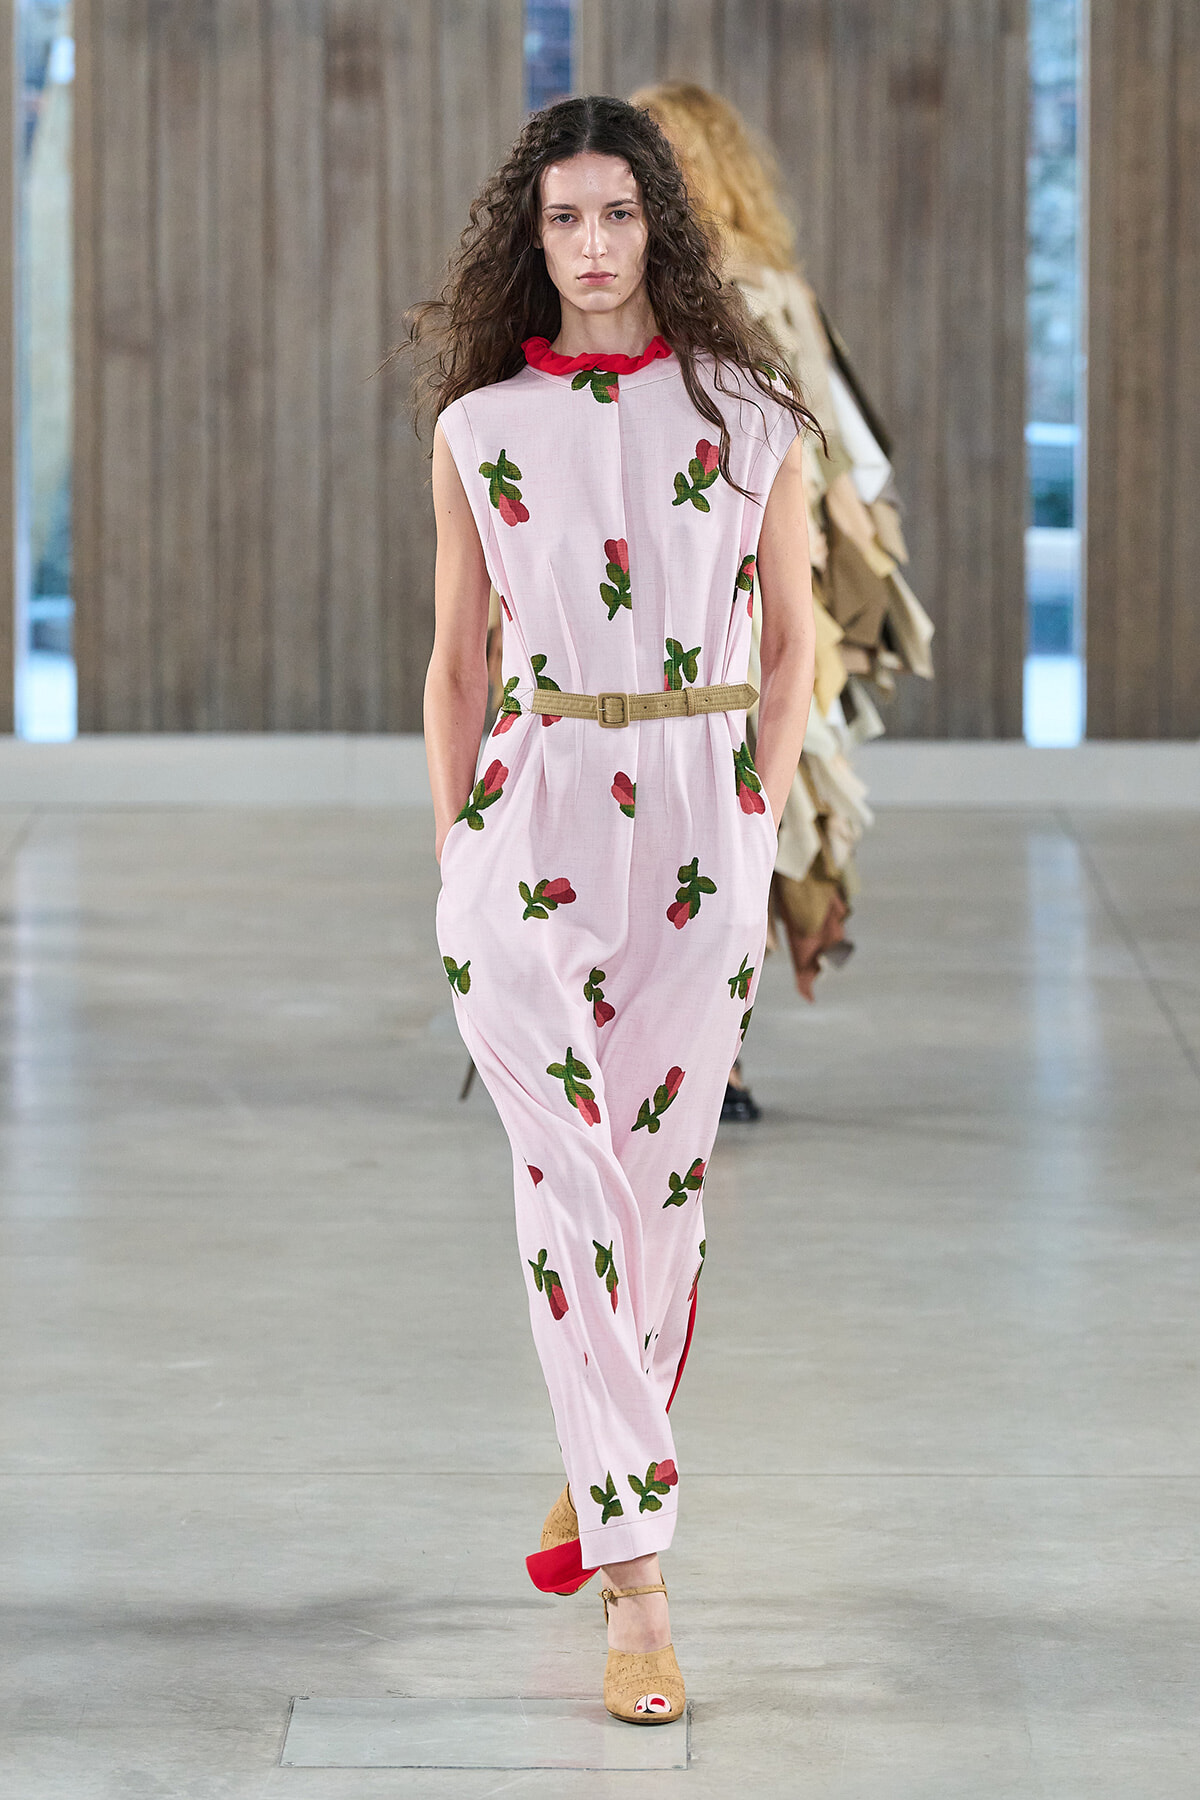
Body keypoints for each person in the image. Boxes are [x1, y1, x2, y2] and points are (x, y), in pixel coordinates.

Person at [413, 95, 816, 1723]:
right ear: (535, 232)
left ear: (661, 227)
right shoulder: (480, 428)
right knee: (566, 1172)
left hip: (701, 842)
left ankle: (599, 1469)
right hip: (532, 827)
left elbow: (791, 638)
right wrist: (455, 851)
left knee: (656, 1197)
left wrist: (764, 803)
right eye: (566, 220)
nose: (592, 248)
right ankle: (640, 1592)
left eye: (619, 218)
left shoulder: (754, 416)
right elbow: (452, 663)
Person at [633, 83, 934, 1065]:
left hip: (756, 577)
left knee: (761, 793)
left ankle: (721, 1050)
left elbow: (833, 455)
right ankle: (678, 1043)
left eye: (667, 150)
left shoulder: (767, 292)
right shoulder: (621, 286)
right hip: (644, 585)